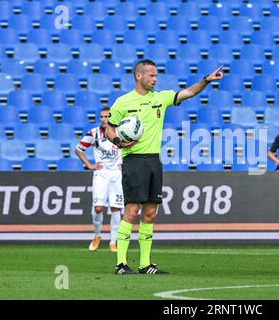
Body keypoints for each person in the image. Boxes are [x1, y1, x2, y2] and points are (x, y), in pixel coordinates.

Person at [106, 59, 224, 275]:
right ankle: (121, 263)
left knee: (150, 213)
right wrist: (119, 142)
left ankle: (145, 264)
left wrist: (206, 80)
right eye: (150, 75)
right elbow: (109, 129)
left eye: (156, 76)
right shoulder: (122, 102)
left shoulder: (160, 98)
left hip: (154, 162)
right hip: (134, 160)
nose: (154, 79)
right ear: (138, 76)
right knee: (131, 210)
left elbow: (188, 93)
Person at [75, 107, 124, 253]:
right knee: (98, 207)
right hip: (101, 174)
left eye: (107, 116)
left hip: (116, 174)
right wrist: (89, 164)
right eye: (102, 116)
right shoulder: (94, 133)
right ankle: (97, 236)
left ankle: (113, 242)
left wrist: (124, 164)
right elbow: (78, 149)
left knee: (116, 207)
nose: (104, 119)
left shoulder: (121, 132)